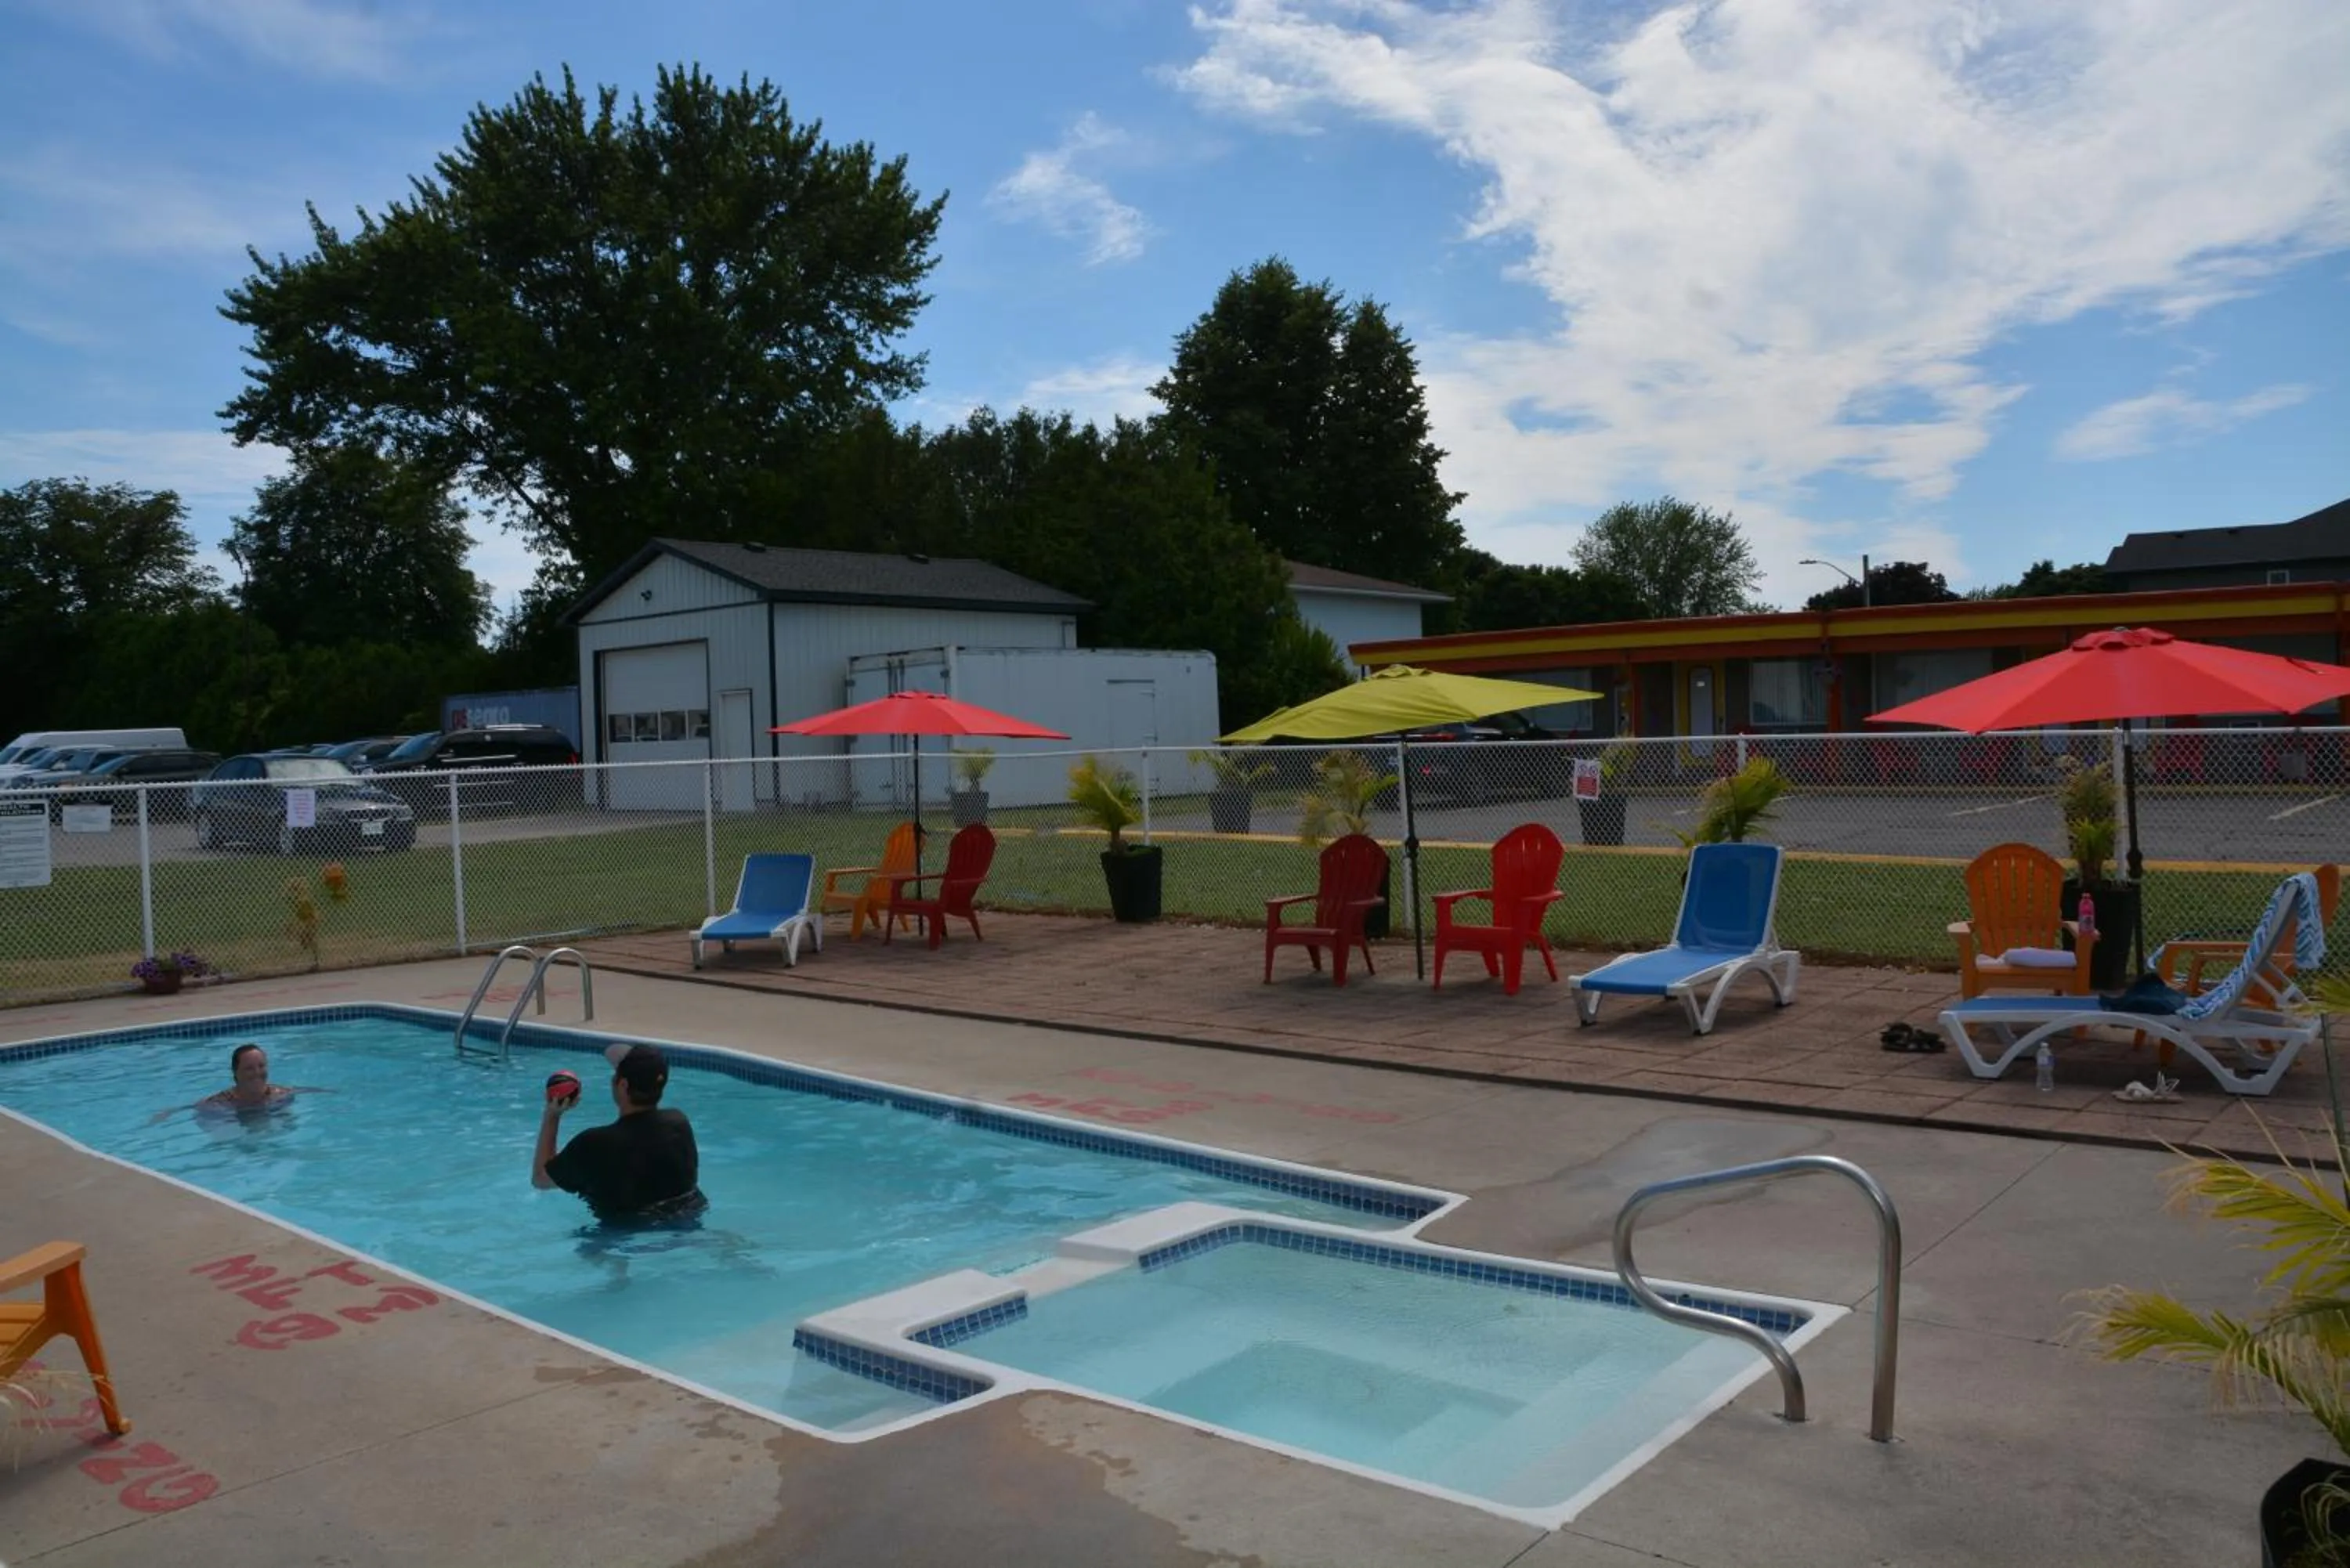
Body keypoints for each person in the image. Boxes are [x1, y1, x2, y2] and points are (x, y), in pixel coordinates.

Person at [533, 1043, 707, 1225]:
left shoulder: (594, 1143)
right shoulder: (679, 1124)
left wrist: (552, 1116)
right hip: (688, 1218)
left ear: (623, 1085)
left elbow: (540, 1179)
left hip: (620, 1233)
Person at [154, 1043, 327, 1122]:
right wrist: (169, 1112)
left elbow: (302, 1090)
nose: (257, 1073)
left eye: (261, 1066)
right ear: (236, 1073)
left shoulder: (279, 1093)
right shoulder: (224, 1101)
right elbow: (196, 1107)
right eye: (249, 1068)